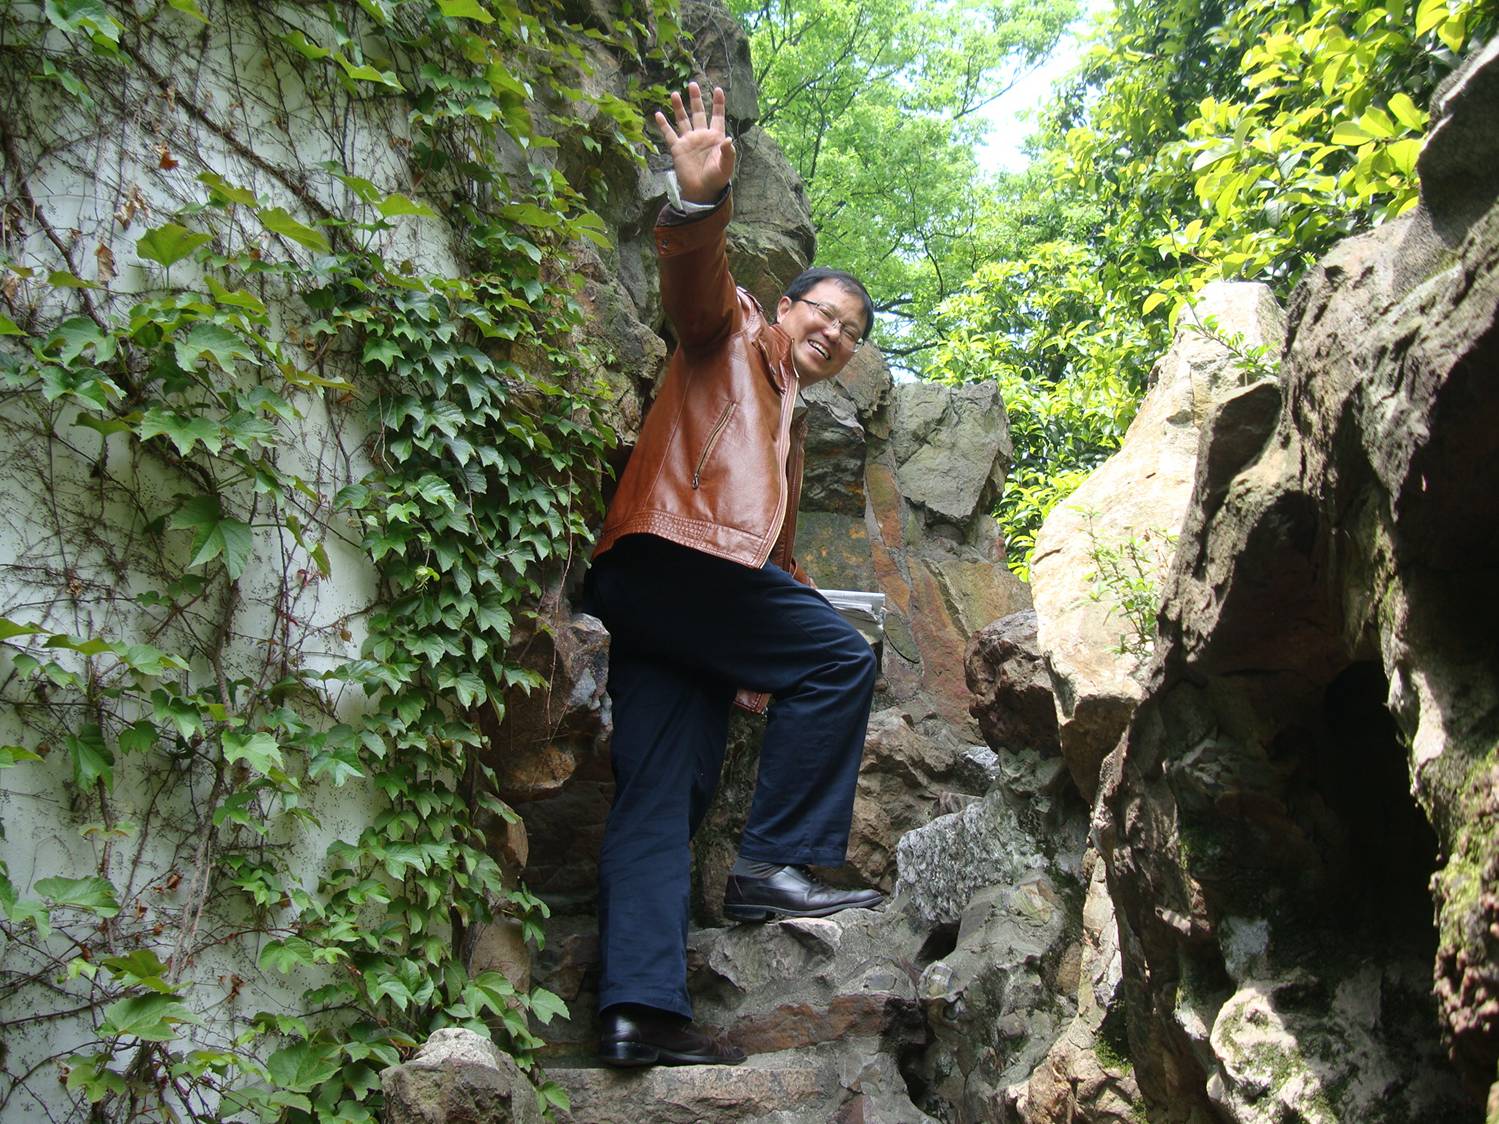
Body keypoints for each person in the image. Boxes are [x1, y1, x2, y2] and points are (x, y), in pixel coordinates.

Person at [583, 82, 883, 1069]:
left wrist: (760, 653)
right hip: (674, 561)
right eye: (825, 314)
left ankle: (639, 1013)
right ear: (785, 304)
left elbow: (769, 555)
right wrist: (696, 199)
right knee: (839, 656)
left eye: (850, 334)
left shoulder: (788, 426)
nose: (832, 335)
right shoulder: (730, 335)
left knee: (664, 791)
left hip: (678, 605)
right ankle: (773, 864)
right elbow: (692, 278)